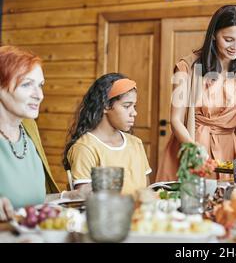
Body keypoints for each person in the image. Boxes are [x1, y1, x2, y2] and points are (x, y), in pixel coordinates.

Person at [156, 5, 236, 182]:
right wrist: (194, 149)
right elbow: (176, 119)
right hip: (191, 145)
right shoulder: (188, 68)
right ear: (214, 35)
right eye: (228, 39)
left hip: (227, 152)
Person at [0, 46, 90, 221]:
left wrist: (71, 196)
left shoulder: (29, 129)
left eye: (40, 85)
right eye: (26, 84)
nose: (39, 95)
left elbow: (33, 203)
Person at [63, 73, 152, 196]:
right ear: (105, 106)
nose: (134, 113)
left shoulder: (136, 143)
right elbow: (84, 199)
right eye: (127, 106)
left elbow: (146, 191)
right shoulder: (85, 148)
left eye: (134, 106)